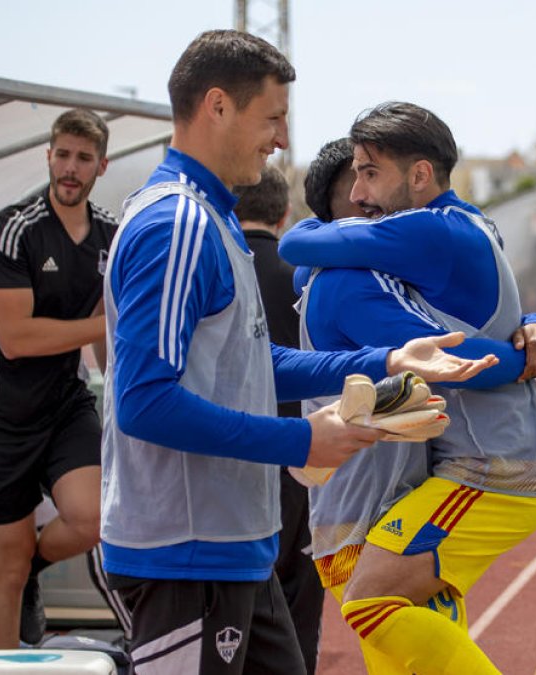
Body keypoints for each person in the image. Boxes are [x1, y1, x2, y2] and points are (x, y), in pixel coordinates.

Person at [100, 32, 494, 674]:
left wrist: (388, 361)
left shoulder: (213, 218)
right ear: (218, 106)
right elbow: (142, 403)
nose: (282, 137)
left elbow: (254, 365)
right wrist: (299, 442)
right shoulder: (177, 225)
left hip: (234, 551)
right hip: (185, 557)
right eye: (273, 116)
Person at [280, 101, 536, 674]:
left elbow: (442, 351)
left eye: (370, 173)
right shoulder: (458, 229)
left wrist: (529, 350)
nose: (362, 197)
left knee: (369, 603)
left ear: (419, 176)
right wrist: (533, 344)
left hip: (477, 472)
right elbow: (301, 250)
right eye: (355, 179)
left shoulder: (426, 233)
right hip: (405, 492)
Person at [0, 108, 125, 648]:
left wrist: (121, 391)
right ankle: (8, 625)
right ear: (49, 157)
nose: (71, 168)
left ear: (101, 165)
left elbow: (104, 338)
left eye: (84, 158)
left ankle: (32, 569)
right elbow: (16, 338)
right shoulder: (9, 231)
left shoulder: (109, 237)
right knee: (3, 569)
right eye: (63, 155)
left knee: (96, 518)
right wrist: (106, 323)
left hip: (63, 406)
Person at [232, 164, 323, 674]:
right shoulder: (303, 281)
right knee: (297, 619)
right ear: (286, 212)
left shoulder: (218, 271)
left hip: (232, 460)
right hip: (303, 463)